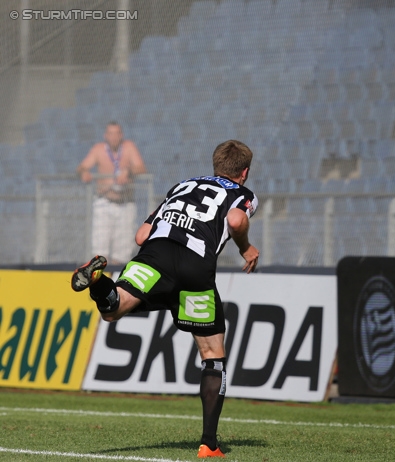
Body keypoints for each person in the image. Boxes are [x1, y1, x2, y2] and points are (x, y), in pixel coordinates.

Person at [71, 140, 259, 458]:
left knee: (114, 308)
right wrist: (245, 247)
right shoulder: (242, 193)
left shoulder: (183, 185)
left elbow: (141, 236)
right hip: (194, 266)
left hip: (154, 256)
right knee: (213, 354)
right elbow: (237, 221)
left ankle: (100, 280)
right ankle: (209, 444)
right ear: (244, 172)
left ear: (215, 165)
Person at [77, 121, 147, 265]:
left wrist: (129, 171)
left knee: (123, 251)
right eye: (110, 133)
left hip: (125, 203)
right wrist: (84, 172)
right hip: (104, 203)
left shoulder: (129, 148)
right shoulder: (98, 150)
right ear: (105, 135)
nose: (114, 137)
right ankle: (99, 283)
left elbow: (141, 168)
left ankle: (117, 284)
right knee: (99, 249)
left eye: (117, 133)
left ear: (121, 135)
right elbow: (82, 167)